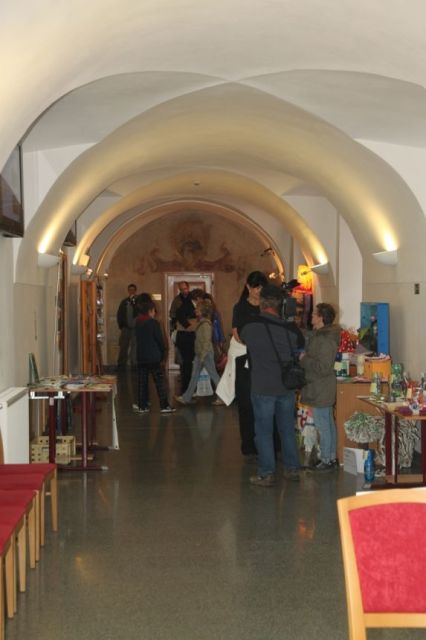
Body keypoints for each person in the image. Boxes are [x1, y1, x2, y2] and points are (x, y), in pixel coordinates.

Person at [241, 284, 304, 486]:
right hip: (286, 386)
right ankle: (292, 469)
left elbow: (242, 339)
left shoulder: (250, 326)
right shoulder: (291, 329)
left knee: (263, 432)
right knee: (287, 430)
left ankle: (267, 473)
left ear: (261, 303)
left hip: (262, 386)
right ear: (280, 304)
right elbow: (300, 349)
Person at [231, 271, 268, 458]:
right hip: (245, 357)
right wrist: (253, 343)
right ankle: (248, 443)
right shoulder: (240, 307)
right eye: (255, 287)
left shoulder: (267, 306)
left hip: (264, 360)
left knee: (265, 402)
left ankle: (267, 442)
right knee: (246, 403)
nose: (258, 291)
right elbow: (236, 333)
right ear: (248, 287)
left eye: (261, 288)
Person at [300, 303, 340, 470]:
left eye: (314, 314)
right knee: (327, 423)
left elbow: (323, 367)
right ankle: (329, 456)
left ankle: (326, 459)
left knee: (324, 426)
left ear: (321, 318)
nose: (311, 316)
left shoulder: (325, 339)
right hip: (320, 386)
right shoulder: (322, 336)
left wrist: (304, 359)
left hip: (321, 387)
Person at [175, 299, 220, 405]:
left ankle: (223, 396)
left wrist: (202, 356)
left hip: (205, 354)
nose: (195, 310)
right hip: (200, 354)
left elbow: (206, 341)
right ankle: (186, 397)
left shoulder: (205, 325)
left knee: (213, 375)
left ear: (203, 311)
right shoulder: (202, 323)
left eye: (197, 309)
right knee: (194, 376)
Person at [134, 300, 176, 414]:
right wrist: (163, 352)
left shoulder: (137, 322)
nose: (154, 313)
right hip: (153, 356)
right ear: (150, 311)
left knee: (142, 382)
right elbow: (159, 339)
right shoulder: (153, 323)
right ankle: (164, 405)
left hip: (141, 356)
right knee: (159, 382)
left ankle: (142, 406)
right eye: (154, 311)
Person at [173, 283, 198, 394]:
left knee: (187, 365)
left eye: (186, 288)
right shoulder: (184, 305)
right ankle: (187, 390)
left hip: (187, 338)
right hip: (186, 339)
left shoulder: (186, 304)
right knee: (187, 365)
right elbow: (179, 317)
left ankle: (188, 389)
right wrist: (192, 325)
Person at [116, 283, 138, 370]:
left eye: (133, 290)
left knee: (135, 347)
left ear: (135, 291)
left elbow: (139, 312)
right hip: (125, 327)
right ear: (128, 291)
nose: (131, 291)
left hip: (135, 328)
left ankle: (134, 364)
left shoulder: (138, 301)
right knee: (123, 346)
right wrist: (121, 325)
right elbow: (119, 314)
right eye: (130, 290)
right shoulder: (124, 302)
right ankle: (121, 364)